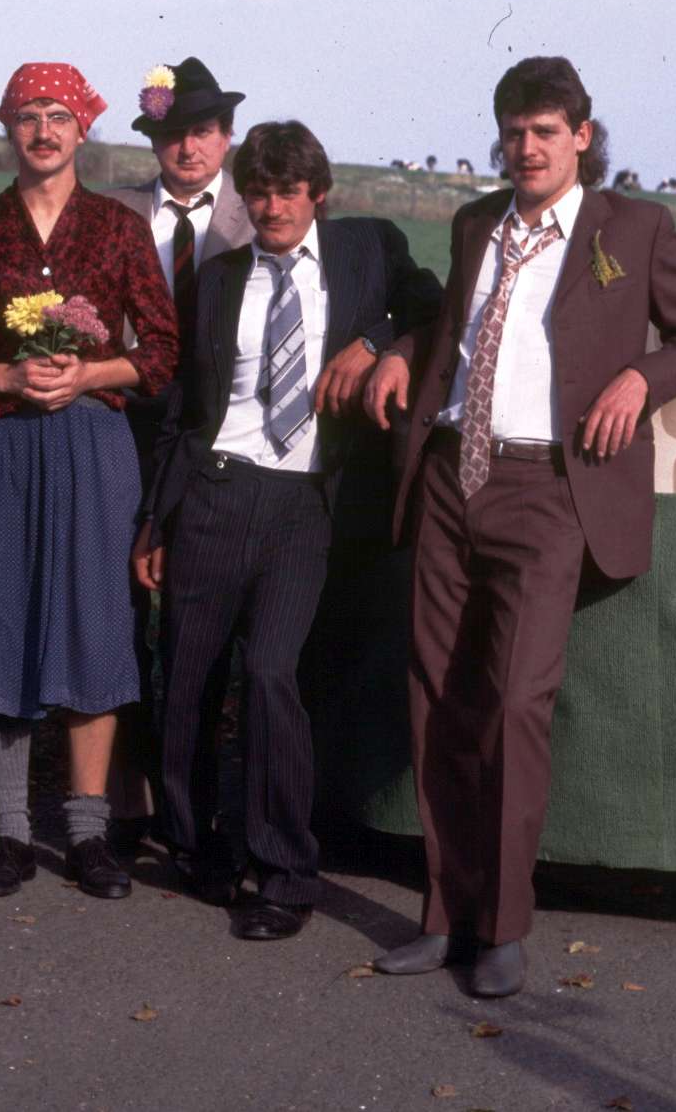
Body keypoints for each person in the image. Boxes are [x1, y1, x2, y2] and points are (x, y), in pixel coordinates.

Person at [363, 56, 676, 995]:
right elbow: (455, 326)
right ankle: (443, 917)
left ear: (581, 136)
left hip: (549, 489)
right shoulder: (475, 223)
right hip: (451, 475)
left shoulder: (633, 229)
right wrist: (401, 350)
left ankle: (502, 928)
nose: (526, 148)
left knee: (516, 702)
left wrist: (642, 377)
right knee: (434, 698)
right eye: (513, 133)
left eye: (544, 132)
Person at [132, 121, 440, 940]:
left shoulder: (366, 250)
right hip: (214, 491)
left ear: (318, 195)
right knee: (187, 682)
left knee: (271, 672)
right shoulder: (218, 279)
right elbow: (185, 412)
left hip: (304, 504)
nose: (272, 208)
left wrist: (375, 344)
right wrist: (157, 519)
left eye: (288, 192)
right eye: (259, 192)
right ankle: (196, 845)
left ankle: (285, 873)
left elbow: (432, 303)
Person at [0, 62, 179, 901]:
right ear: (8, 128)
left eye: (59, 115)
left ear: (84, 128)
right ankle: (13, 834)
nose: (43, 131)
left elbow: (162, 350)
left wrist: (90, 373)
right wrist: (7, 376)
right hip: (3, 444)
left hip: (94, 443)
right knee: (5, 618)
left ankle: (89, 833)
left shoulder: (119, 228)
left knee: (94, 620)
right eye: (28, 115)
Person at [100, 56, 254, 857]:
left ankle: (204, 804)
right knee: (119, 613)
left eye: (202, 132)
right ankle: (129, 799)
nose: (187, 149)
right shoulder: (115, 213)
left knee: (199, 626)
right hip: (128, 426)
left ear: (225, 136)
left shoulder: (258, 215)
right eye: (171, 135)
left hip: (220, 437)